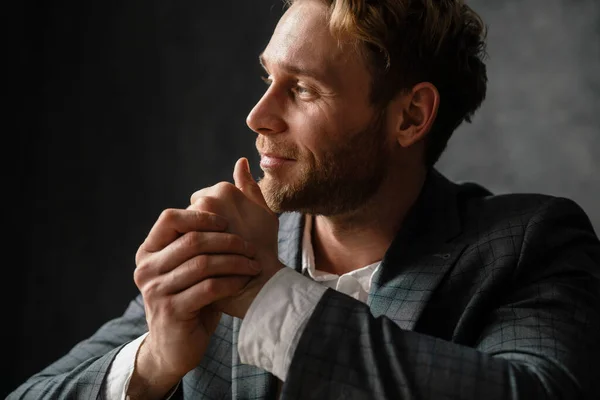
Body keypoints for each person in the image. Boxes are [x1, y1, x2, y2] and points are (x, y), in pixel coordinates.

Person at [9, 0, 600, 398]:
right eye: (268, 78)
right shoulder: (224, 249)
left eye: (303, 89)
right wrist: (154, 360)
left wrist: (269, 300)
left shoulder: (528, 242)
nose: (258, 115)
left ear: (411, 115)